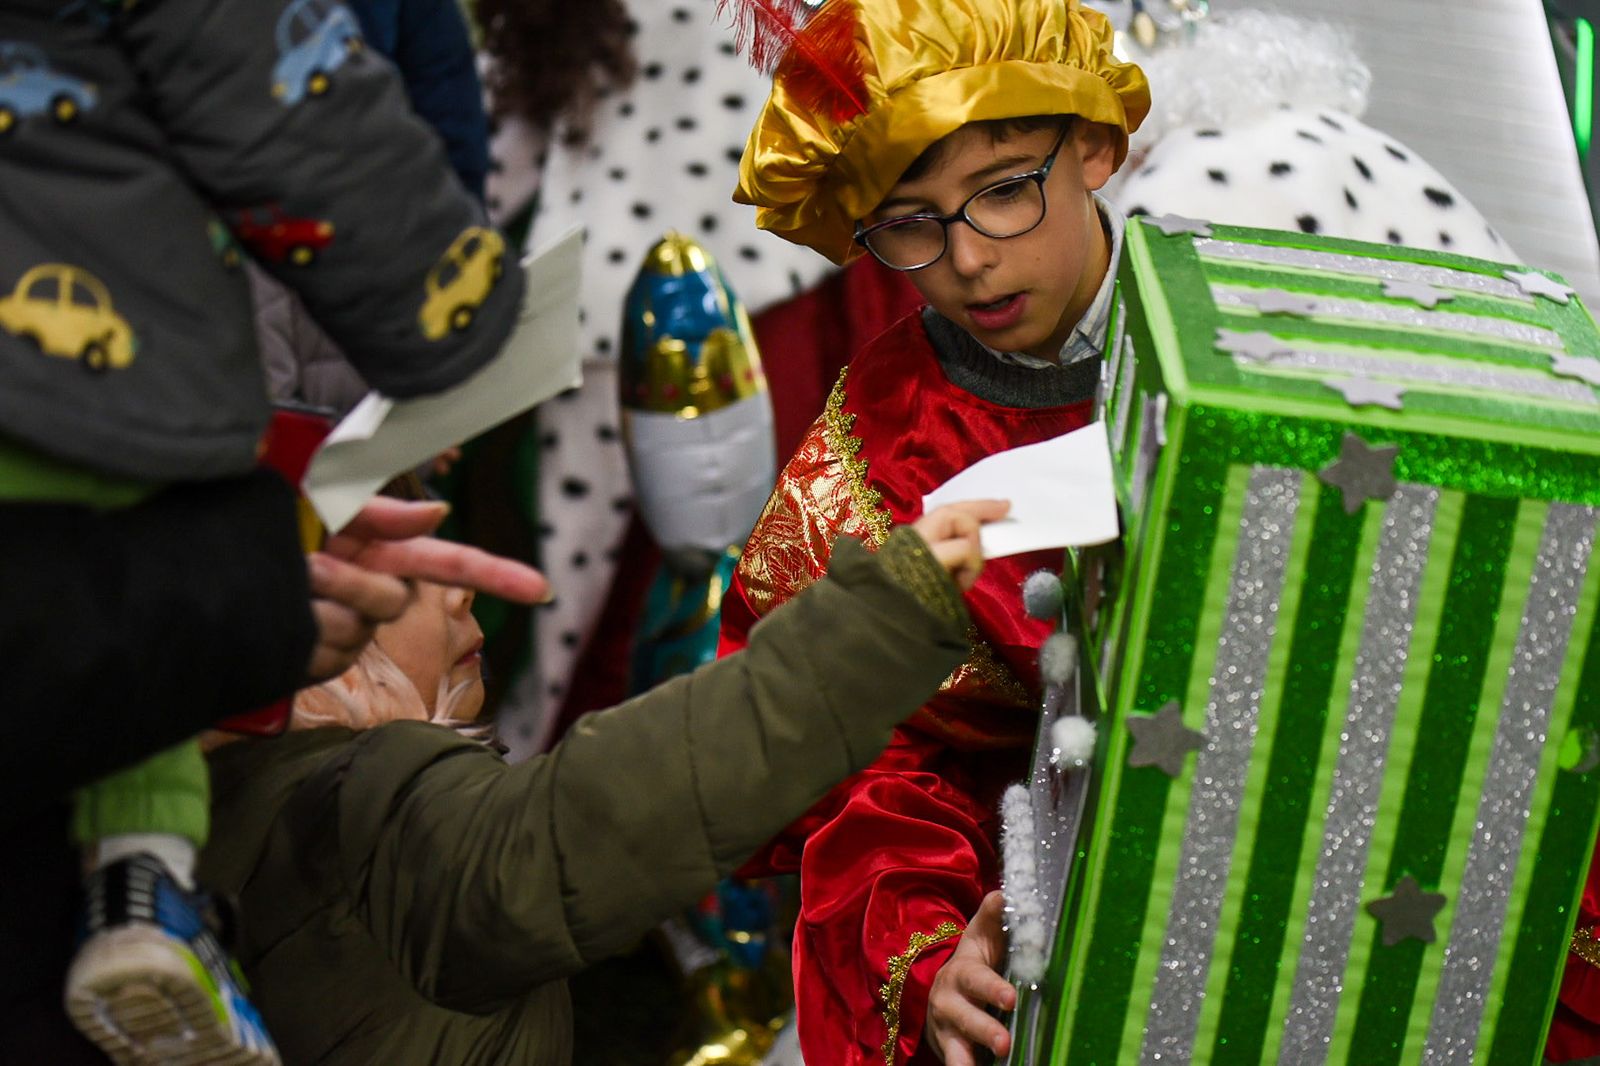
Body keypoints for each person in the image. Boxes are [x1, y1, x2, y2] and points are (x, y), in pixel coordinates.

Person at [0, 0, 536, 1059]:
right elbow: (295, 106)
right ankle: (147, 886)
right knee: (140, 670)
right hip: (92, 385)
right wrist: (452, 314)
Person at [715, 1, 1149, 1062]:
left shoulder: (1243, 327)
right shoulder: (884, 441)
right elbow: (853, 749)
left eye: (1002, 191)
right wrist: (930, 951)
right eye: (912, 222)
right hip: (1017, 907)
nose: (965, 260)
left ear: (1092, 143)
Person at [197, 500, 1005, 1066]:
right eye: (410, 573)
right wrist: (878, 625)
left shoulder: (227, 791)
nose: (460, 587)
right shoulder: (353, 810)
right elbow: (589, 821)